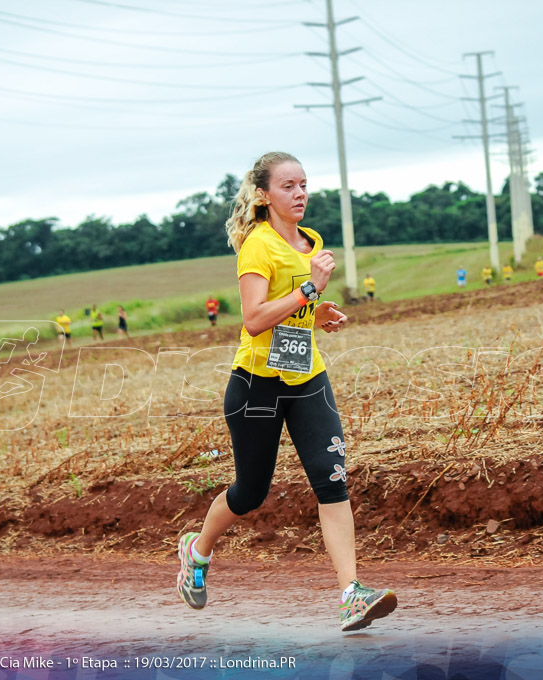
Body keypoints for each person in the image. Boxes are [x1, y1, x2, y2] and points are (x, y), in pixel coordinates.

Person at [175, 151, 397, 632]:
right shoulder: (257, 246)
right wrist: (309, 292)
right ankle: (198, 549)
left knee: (332, 480)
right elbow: (255, 319)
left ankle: (351, 594)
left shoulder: (309, 242)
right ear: (263, 195)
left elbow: (293, 306)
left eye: (303, 185)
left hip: (307, 378)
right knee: (251, 492)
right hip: (257, 384)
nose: (299, 194)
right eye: (287, 186)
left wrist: (318, 313)